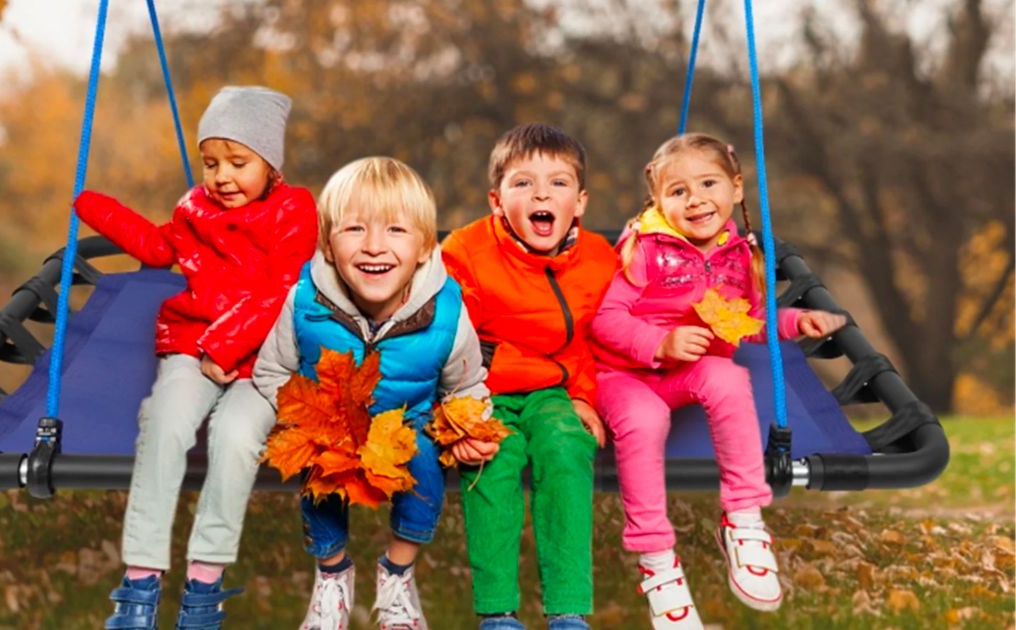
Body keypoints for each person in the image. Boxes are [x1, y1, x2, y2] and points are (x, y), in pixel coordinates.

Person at [73, 86, 318, 630]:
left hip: (265, 356)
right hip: (193, 343)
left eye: (238, 162)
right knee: (163, 422)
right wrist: (97, 208)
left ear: (270, 165)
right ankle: (140, 584)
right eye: (211, 163)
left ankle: (203, 588)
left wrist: (226, 347)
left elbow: (285, 286)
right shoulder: (194, 207)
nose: (222, 176)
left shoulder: (294, 209)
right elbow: (162, 249)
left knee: (235, 439)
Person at [590, 132, 848, 629]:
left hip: (689, 372)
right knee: (642, 424)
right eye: (678, 191)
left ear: (736, 187)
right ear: (658, 199)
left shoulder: (737, 255)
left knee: (727, 378)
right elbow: (606, 320)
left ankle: (743, 518)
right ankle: (657, 560)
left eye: (708, 183)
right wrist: (657, 343)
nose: (695, 200)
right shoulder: (646, 249)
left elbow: (746, 320)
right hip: (624, 374)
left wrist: (794, 323)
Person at [253, 156, 493, 630]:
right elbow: (272, 369)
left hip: (408, 422)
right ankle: (332, 576)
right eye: (355, 230)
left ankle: (397, 573)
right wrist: (301, 418)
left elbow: (466, 383)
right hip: (331, 419)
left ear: (425, 247)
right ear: (327, 243)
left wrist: (470, 423)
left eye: (396, 231)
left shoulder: (444, 310)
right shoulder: (306, 301)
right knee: (317, 466)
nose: (374, 247)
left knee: (426, 463)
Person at [441, 123, 618, 630]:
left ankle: (567, 609)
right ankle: (497, 612)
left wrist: (584, 397)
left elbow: (600, 336)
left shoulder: (599, 261)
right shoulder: (465, 253)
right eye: (523, 183)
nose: (542, 193)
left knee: (567, 447)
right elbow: (452, 338)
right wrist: (459, 405)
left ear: (580, 203)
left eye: (558, 183)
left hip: (554, 390)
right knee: (491, 460)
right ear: (497, 202)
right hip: (484, 388)